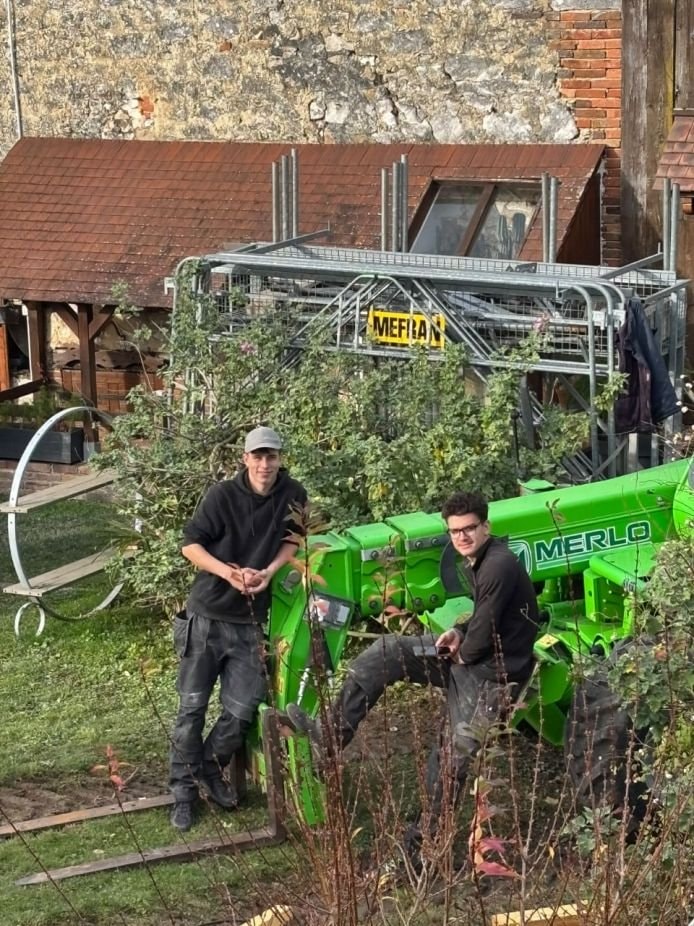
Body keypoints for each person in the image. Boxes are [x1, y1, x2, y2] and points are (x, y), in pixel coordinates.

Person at [287, 490, 539, 852]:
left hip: (492, 676)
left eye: (469, 529)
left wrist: (463, 650)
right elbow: (484, 617)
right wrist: (458, 633)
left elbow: (484, 633)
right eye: (455, 531)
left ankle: (424, 847)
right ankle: (329, 737)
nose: (462, 537)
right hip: (469, 657)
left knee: (450, 758)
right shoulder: (478, 560)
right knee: (387, 652)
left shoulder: (498, 565)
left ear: (486, 526)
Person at [169, 425, 308, 831]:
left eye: (271, 456)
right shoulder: (222, 496)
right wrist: (228, 573)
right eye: (257, 456)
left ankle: (210, 768)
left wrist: (269, 571)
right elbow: (190, 545)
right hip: (207, 616)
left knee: (243, 708)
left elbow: (295, 538)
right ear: (245, 459)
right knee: (191, 709)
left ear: (280, 459)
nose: (265, 464)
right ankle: (183, 793)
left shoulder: (293, 494)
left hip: (250, 620)